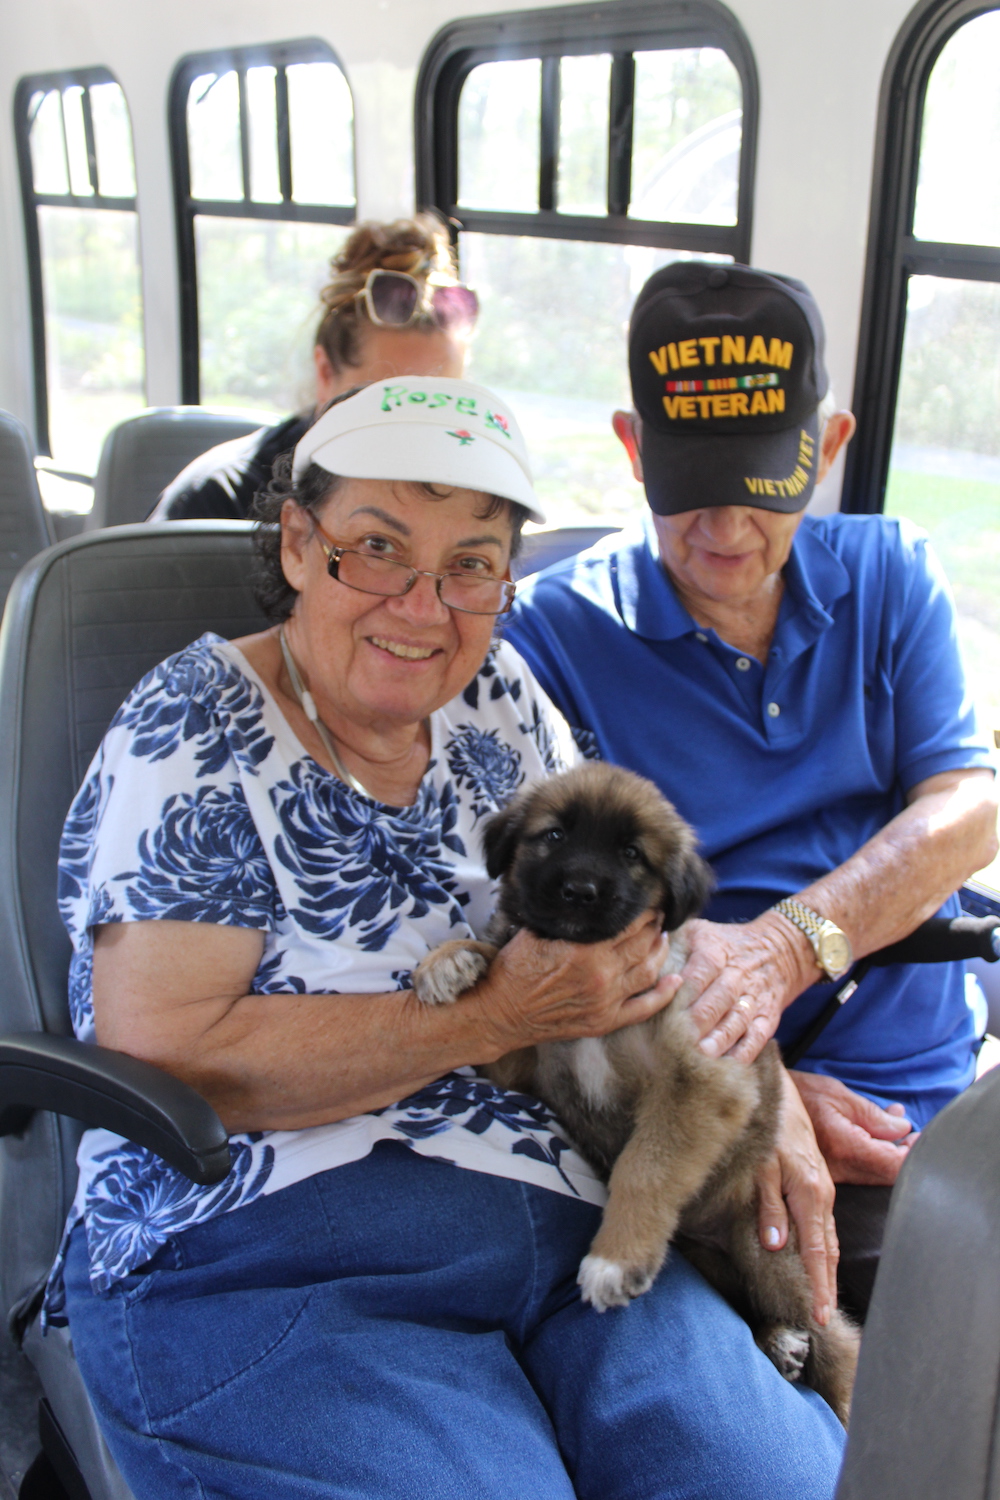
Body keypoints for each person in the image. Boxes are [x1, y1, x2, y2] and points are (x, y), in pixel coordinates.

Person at [51, 376, 846, 1500]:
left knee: (783, 1485)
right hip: (275, 1250)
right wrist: (493, 1017)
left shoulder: (500, 697)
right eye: (375, 547)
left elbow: (626, 900)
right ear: (295, 541)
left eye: (471, 564)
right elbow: (167, 1053)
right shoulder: (193, 728)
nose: (424, 607)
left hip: (566, 1225)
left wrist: (760, 1084)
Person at [503, 261, 999, 1321]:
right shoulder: (548, 637)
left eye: (763, 487)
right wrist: (750, 1085)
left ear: (826, 451)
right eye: (691, 486)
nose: (725, 529)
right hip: (708, 1092)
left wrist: (781, 951)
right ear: (633, 450)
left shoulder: (892, 573)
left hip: (938, 1067)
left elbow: (967, 810)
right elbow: (551, 910)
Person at [149, 214, 476, 521]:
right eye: (386, 403)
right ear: (325, 373)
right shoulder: (214, 507)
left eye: (441, 405)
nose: (413, 430)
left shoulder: (470, 507)